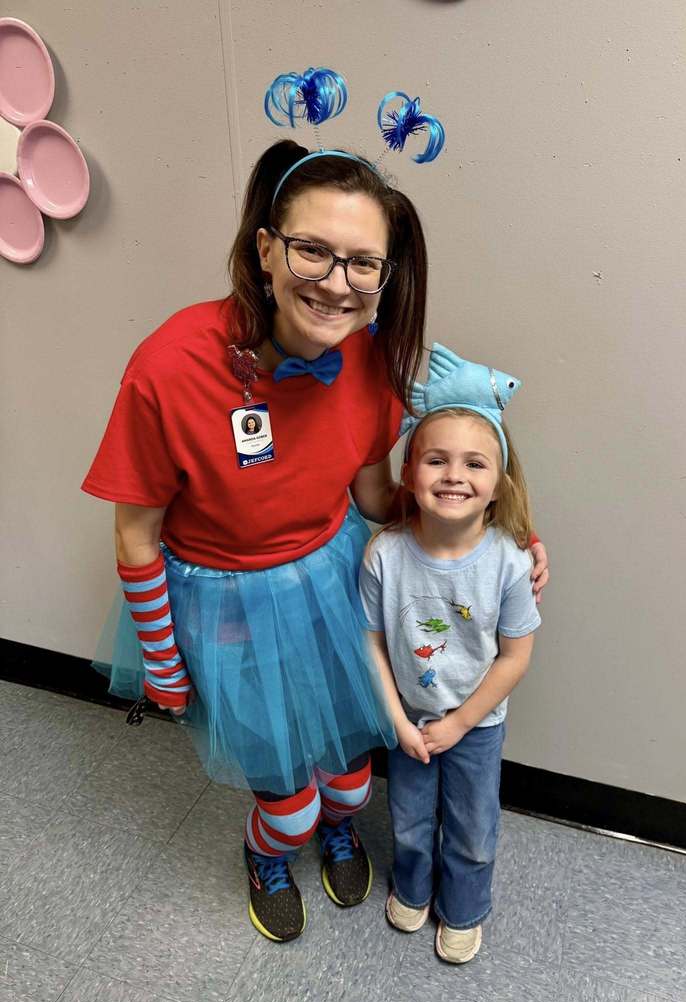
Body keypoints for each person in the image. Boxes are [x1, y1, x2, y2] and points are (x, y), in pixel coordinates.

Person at [83, 139, 549, 945]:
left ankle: (333, 826)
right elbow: (137, 527)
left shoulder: (367, 357)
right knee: (288, 800)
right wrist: (161, 661)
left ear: (386, 276)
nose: (338, 284)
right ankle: (270, 851)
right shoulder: (170, 363)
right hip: (224, 597)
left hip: (330, 581)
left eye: (364, 264)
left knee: (349, 782)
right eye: (313, 251)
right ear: (266, 249)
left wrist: (494, 529)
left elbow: (376, 493)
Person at [359, 345, 541, 963]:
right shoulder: (383, 555)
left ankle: (463, 905)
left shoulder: (509, 565)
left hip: (477, 726)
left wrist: (460, 723)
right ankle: (412, 886)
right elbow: (373, 643)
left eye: (474, 464)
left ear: (499, 485)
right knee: (408, 818)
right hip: (408, 720)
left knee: (471, 827)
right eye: (436, 460)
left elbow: (515, 657)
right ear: (410, 472)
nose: (454, 475)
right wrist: (397, 721)